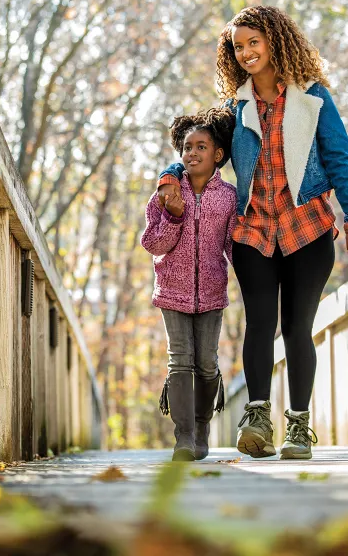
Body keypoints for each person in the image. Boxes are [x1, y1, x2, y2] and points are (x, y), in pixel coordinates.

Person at [158, 6, 348, 460]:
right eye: (239, 46)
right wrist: (169, 174)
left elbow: (339, 160)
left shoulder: (314, 99)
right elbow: (197, 146)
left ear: (275, 41)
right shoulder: (235, 107)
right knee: (259, 323)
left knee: (297, 327)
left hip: (307, 230)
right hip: (252, 231)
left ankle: (298, 427)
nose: (247, 52)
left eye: (255, 42)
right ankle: (257, 419)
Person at [141, 108, 237, 461]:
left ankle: (201, 429)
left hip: (212, 292)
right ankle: (184, 438)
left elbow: (232, 245)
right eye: (186, 147)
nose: (192, 153)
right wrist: (174, 216)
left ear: (218, 155)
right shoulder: (165, 193)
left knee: (207, 364)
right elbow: (153, 244)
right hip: (171, 290)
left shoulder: (228, 197)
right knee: (179, 360)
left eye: (201, 146)